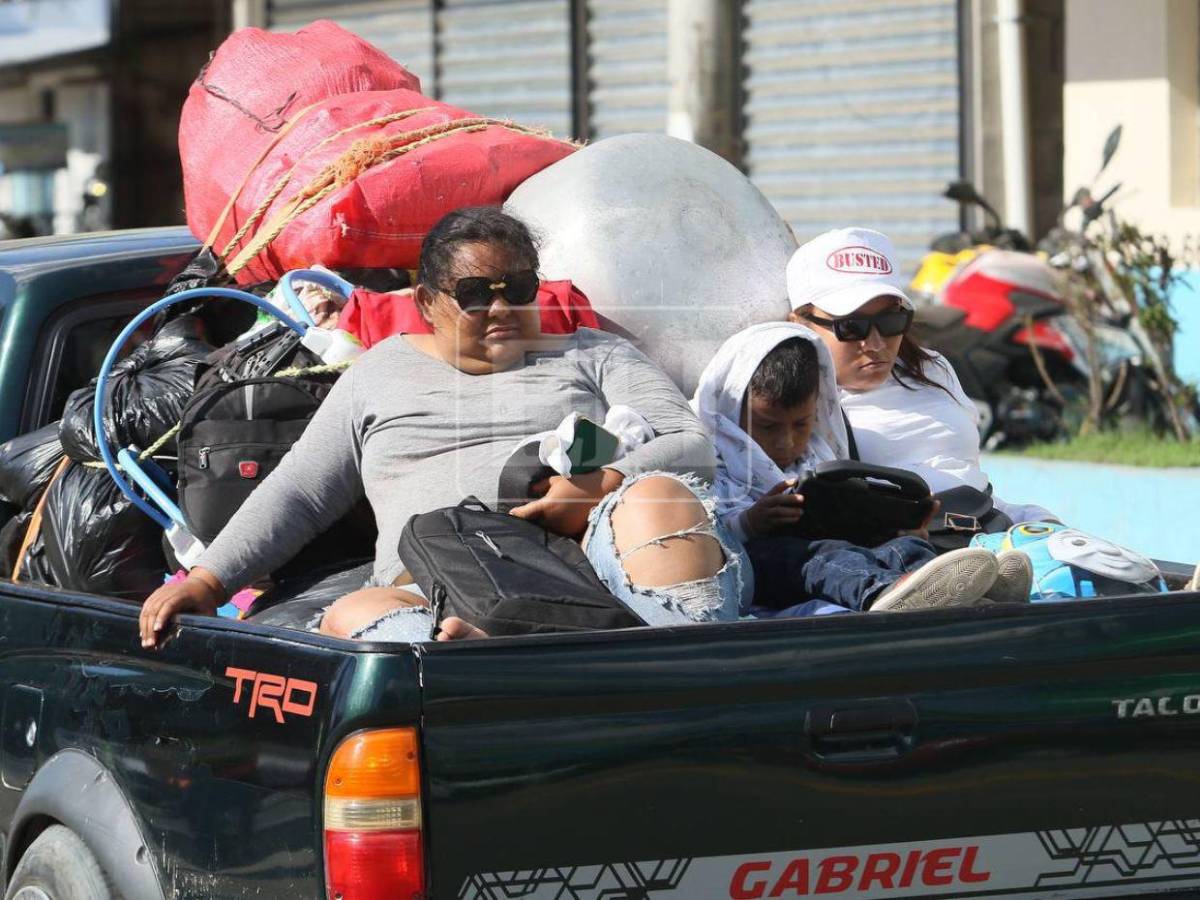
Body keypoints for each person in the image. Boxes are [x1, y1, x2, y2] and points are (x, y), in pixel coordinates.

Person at [139, 207, 748, 647]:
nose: (503, 308)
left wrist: (601, 482)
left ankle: (674, 672)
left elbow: (689, 444)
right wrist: (208, 582)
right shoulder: (378, 373)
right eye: (477, 293)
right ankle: (482, 657)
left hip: (594, 576)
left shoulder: (594, 354)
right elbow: (298, 492)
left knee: (659, 494)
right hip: (438, 590)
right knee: (357, 615)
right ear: (428, 302)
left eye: (519, 288)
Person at [692, 322, 1031, 614]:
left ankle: (966, 591)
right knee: (812, 554)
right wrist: (751, 522)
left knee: (901, 547)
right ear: (732, 411)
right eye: (768, 427)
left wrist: (896, 525)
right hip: (764, 566)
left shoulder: (817, 454)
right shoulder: (710, 458)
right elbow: (701, 538)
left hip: (838, 554)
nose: (786, 441)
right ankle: (883, 592)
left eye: (801, 424)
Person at [785, 226, 1055, 528]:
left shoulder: (932, 368)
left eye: (890, 321)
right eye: (851, 326)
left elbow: (968, 479)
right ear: (800, 323)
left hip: (981, 526)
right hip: (896, 552)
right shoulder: (798, 401)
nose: (875, 344)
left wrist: (1036, 523)